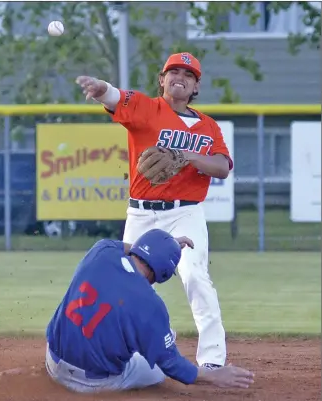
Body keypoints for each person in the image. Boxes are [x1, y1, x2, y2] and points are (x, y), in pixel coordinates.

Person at [76, 52, 233, 369]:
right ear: (162, 79)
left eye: (188, 74)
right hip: (141, 214)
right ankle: (160, 342)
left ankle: (213, 359)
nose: (180, 76)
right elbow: (115, 96)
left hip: (185, 212)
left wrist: (187, 155)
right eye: (173, 71)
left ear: (195, 87)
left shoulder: (208, 127)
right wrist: (100, 87)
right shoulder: (147, 109)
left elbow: (222, 167)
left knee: (194, 276)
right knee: (129, 285)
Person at [45, 229, 254, 393]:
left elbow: (128, 248)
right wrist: (214, 376)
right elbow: (173, 366)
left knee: (129, 328)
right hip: (91, 384)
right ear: (163, 272)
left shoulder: (101, 251)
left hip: (53, 363)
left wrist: (160, 247)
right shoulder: (151, 305)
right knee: (160, 355)